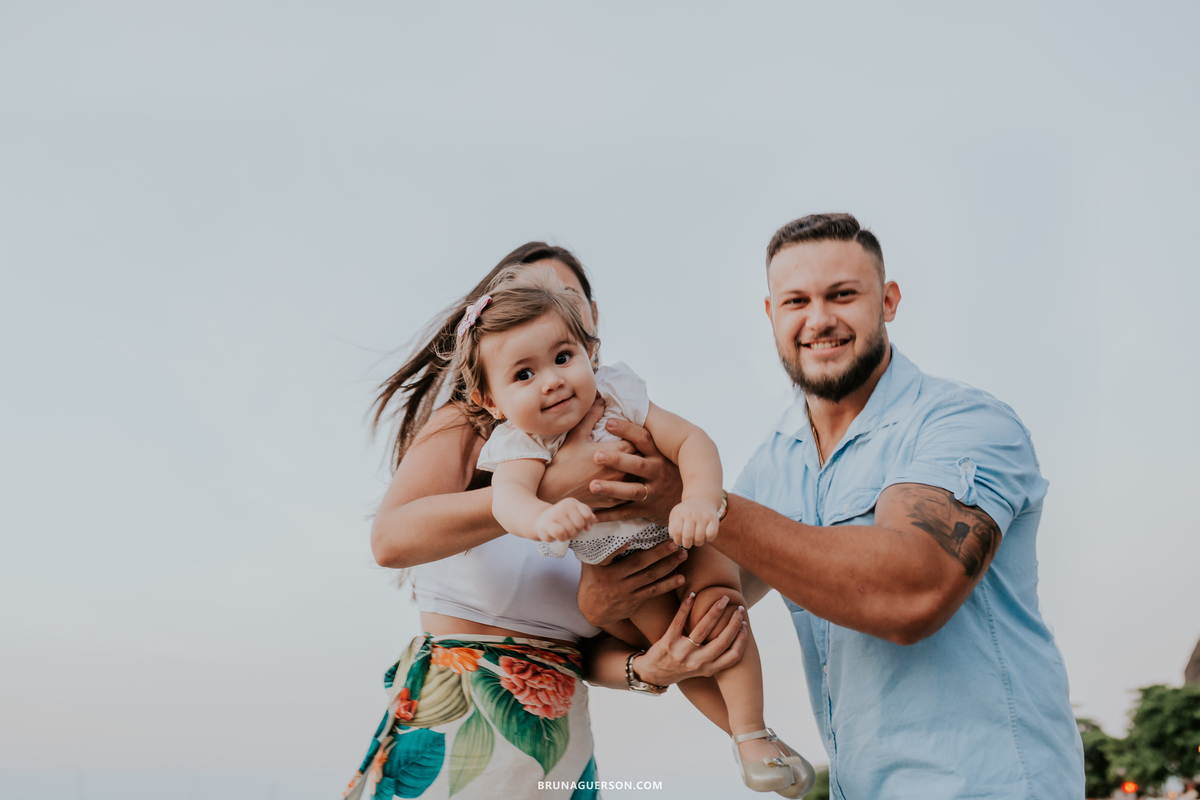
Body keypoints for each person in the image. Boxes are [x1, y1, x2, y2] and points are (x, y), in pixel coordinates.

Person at [578, 214, 1086, 798]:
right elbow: (683, 605)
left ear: (888, 301)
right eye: (796, 301)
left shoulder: (963, 423)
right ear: (771, 315)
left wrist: (691, 496)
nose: (818, 320)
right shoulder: (772, 465)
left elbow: (911, 594)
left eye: (842, 295)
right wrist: (604, 606)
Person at [341, 243, 748, 800]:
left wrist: (647, 667)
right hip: (465, 716)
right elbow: (390, 540)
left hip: (558, 734)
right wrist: (544, 492)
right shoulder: (474, 425)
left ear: (589, 323)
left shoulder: (620, 432)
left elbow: (588, 648)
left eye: (559, 302)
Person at [452, 266, 813, 795]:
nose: (551, 379)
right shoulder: (520, 445)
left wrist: (699, 499)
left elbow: (692, 441)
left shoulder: (618, 396)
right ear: (491, 401)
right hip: (616, 560)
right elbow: (510, 501)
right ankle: (747, 740)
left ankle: (754, 730)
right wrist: (542, 518)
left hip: (682, 529)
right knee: (680, 649)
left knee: (720, 612)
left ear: (587, 352)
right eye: (523, 375)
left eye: (562, 358)